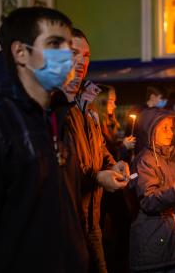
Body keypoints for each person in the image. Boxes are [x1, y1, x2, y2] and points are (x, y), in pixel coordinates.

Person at [0, 7, 90, 273]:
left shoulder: (57, 119)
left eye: (68, 46)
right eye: (54, 44)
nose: (67, 56)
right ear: (21, 52)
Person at [63, 28, 129, 273]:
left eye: (87, 55)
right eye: (74, 53)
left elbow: (99, 148)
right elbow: (57, 171)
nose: (82, 61)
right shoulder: (56, 107)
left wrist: (113, 164)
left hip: (93, 219)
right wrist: (97, 178)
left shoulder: (84, 108)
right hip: (68, 224)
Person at [130, 108, 175, 272]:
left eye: (171, 127)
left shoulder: (170, 156)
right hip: (155, 243)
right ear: (150, 131)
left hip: (174, 241)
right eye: (164, 128)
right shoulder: (145, 161)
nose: (170, 132)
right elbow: (148, 200)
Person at [94, 85, 135, 273]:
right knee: (111, 225)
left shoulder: (111, 124)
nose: (115, 104)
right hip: (103, 187)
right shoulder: (96, 125)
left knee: (122, 223)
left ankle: (120, 261)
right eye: (111, 101)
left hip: (115, 182)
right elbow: (104, 156)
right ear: (102, 102)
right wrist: (122, 148)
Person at [134, 85, 168, 154]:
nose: (165, 102)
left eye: (166, 100)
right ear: (152, 97)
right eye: (162, 99)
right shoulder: (138, 112)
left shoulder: (157, 113)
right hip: (141, 152)